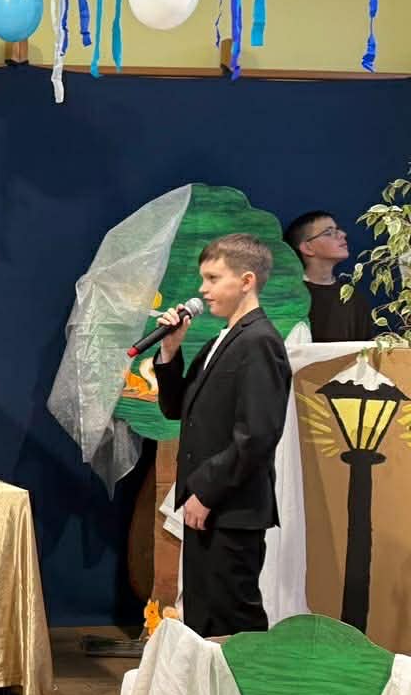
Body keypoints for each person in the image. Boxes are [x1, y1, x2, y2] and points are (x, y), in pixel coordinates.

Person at [153, 234, 292, 638]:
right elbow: (177, 408)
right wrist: (170, 351)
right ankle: (212, 682)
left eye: (213, 278)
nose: (202, 289)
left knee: (232, 617)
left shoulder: (260, 341)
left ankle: (246, 681)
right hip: (209, 506)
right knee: (204, 614)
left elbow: (258, 434)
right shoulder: (222, 339)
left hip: (230, 506)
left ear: (246, 281)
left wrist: (206, 491)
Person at [283, 210, 375, 342]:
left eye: (338, 230)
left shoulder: (353, 297)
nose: (343, 234)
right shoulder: (288, 297)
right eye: (329, 233)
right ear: (307, 248)